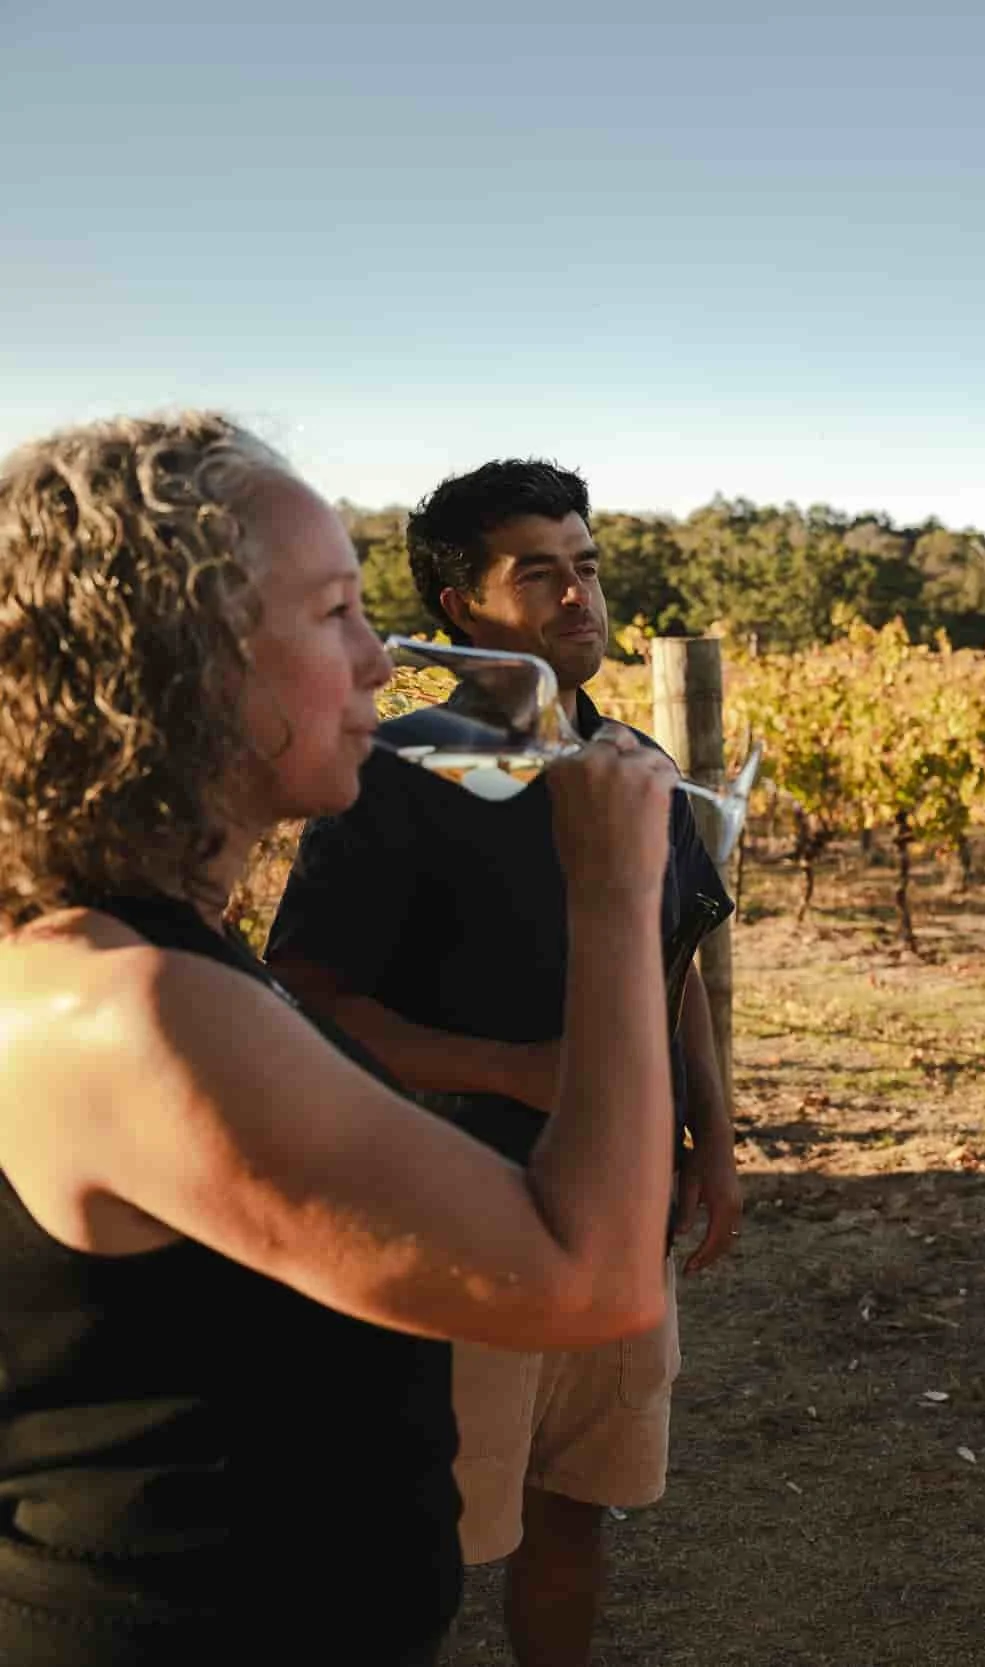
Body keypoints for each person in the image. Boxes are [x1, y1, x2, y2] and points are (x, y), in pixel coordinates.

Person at [0, 414, 680, 1665]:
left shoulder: (128, 953)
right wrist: (612, 890)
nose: (379, 663)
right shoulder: (132, 1005)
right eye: (332, 615)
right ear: (178, 660)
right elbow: (589, 1279)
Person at [260, 458, 740, 1667]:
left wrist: (715, 1140)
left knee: (577, 1506)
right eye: (541, 573)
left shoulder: (637, 766)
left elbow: (677, 962)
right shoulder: (401, 770)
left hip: (621, 1211)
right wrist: (518, 1069)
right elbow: (306, 997)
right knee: (427, 1538)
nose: (580, 594)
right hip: (459, 1211)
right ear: (462, 604)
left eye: (585, 566)